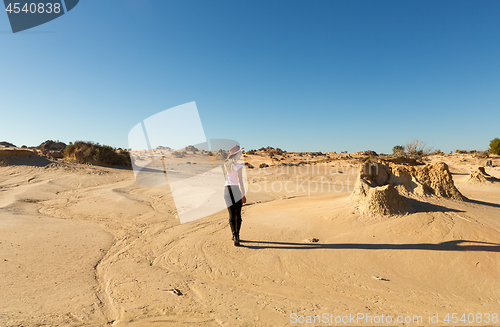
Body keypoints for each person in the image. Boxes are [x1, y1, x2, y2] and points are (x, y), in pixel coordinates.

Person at [223, 145, 246, 246]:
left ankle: (234, 235)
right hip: (236, 189)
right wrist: (243, 195)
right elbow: (240, 181)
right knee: (238, 214)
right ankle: (237, 235)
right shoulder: (238, 166)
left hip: (227, 190)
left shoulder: (226, 165)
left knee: (231, 214)